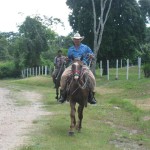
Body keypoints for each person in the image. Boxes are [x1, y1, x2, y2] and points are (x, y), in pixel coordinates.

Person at [58, 32, 97, 104]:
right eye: (75, 39)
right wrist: (66, 59)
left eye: (78, 39)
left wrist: (92, 56)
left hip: (83, 65)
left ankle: (91, 95)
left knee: (92, 77)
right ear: (73, 40)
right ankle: (63, 95)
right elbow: (69, 58)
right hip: (73, 65)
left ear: (80, 40)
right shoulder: (70, 49)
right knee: (63, 76)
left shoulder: (86, 47)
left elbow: (92, 55)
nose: (77, 40)